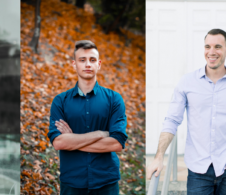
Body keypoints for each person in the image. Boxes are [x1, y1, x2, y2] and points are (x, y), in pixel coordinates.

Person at [147, 28, 226, 194]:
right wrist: (159, 156)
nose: (212, 52)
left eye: (218, 46)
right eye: (207, 46)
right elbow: (172, 120)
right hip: (199, 171)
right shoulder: (187, 82)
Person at [48, 40, 128, 195]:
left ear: (99, 64)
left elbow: (117, 144)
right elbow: (58, 143)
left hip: (106, 183)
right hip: (72, 182)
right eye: (82, 60)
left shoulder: (114, 99)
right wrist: (100, 134)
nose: (87, 65)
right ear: (74, 64)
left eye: (92, 60)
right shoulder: (60, 101)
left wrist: (72, 140)